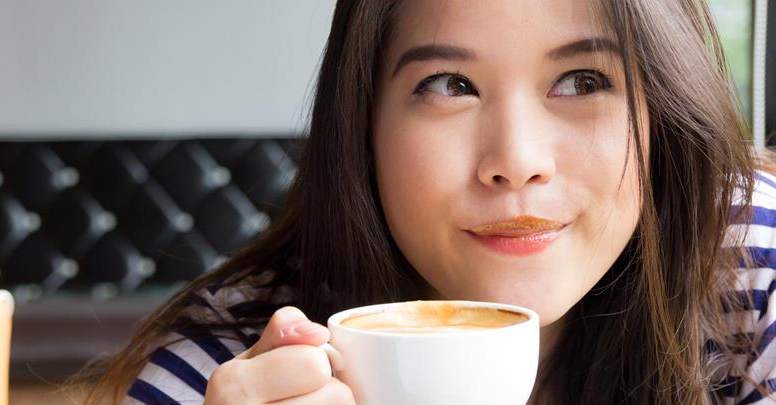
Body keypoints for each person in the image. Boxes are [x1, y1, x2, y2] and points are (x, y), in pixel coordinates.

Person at [80, 0, 776, 403]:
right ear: (362, 128)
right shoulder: (224, 373)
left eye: (583, 78)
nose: (516, 162)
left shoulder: (753, 264)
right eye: (449, 85)